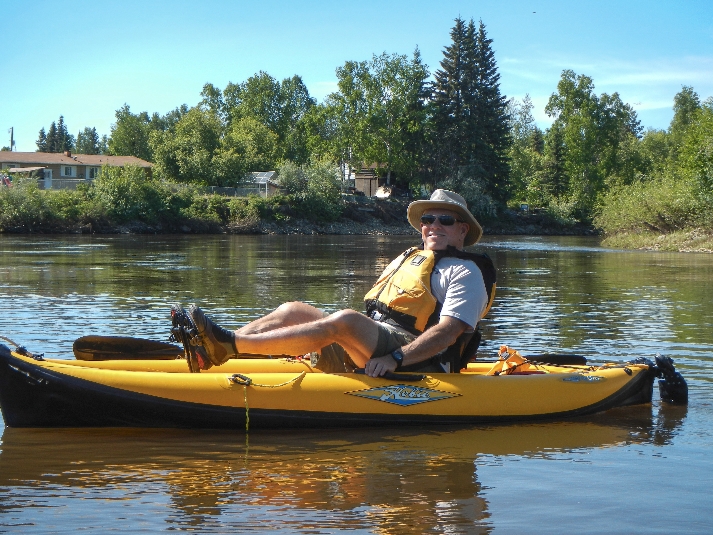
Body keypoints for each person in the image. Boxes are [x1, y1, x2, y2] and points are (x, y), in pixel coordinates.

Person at [172, 189, 495, 377]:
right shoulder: (411, 258)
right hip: (374, 347)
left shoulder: (465, 273)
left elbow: (447, 333)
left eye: (445, 220)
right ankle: (211, 351)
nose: (434, 225)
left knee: (346, 320)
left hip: (419, 361)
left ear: (462, 230)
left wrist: (395, 358)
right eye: (428, 219)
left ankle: (230, 344)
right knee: (292, 310)